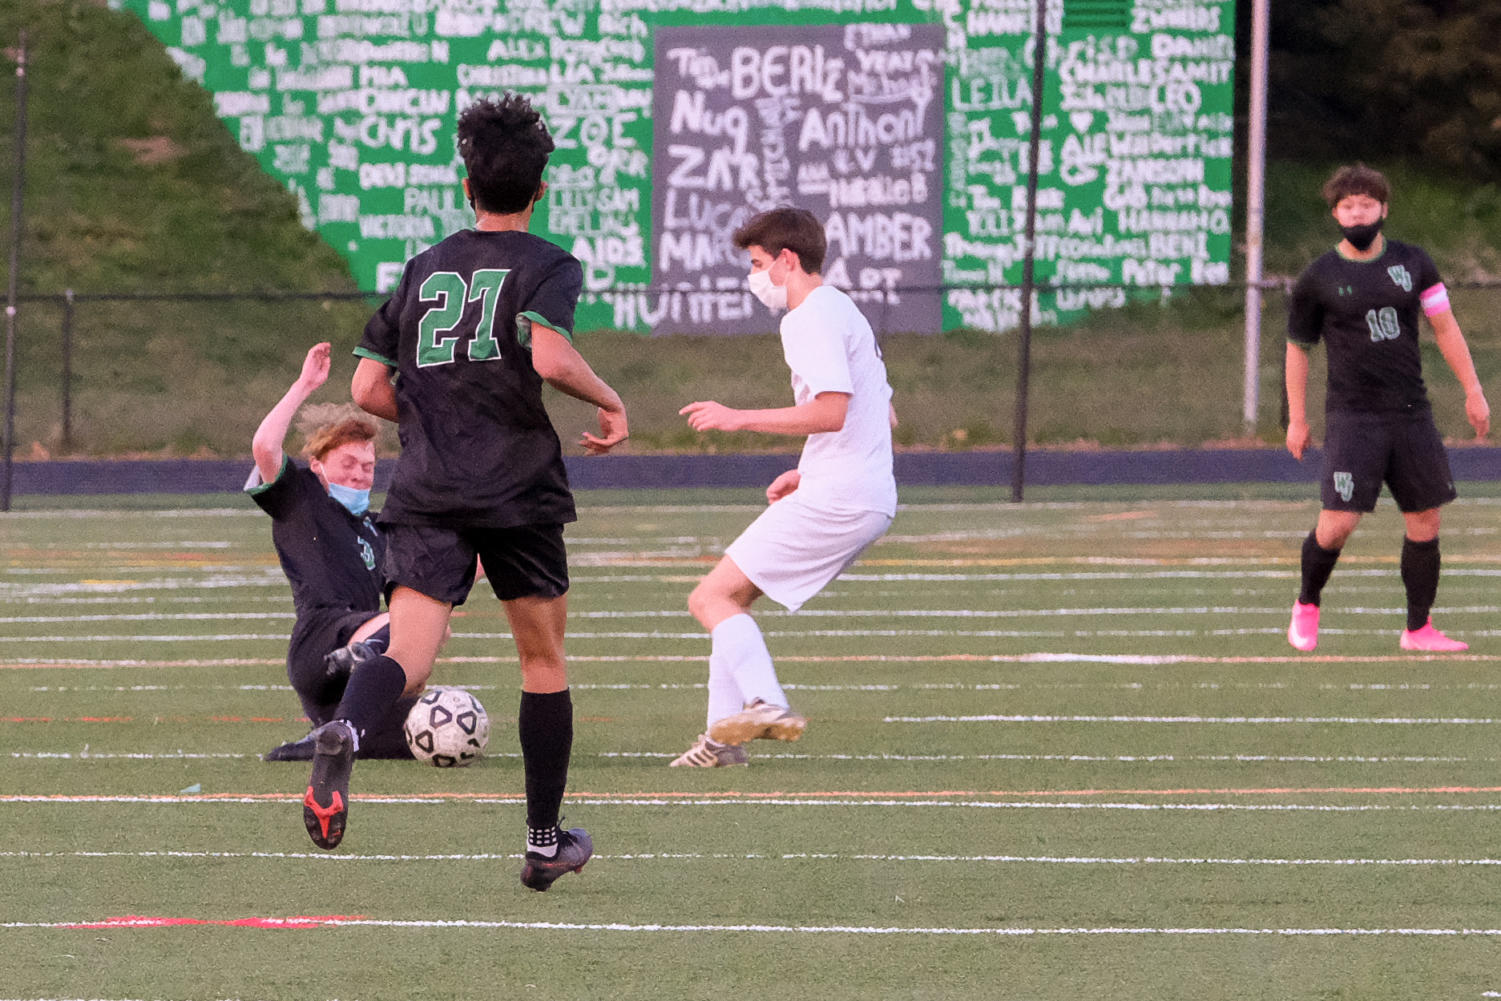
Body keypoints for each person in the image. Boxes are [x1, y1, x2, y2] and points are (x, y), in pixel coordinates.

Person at [300, 94, 628, 896]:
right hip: (517, 485)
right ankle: (545, 842)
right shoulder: (549, 263)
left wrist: (431, 411)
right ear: (540, 187)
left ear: (464, 181)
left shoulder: (422, 267)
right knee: (541, 659)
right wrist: (611, 401)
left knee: (407, 652)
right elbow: (549, 358)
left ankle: (342, 726)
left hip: (429, 483)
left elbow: (367, 384)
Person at [670, 206, 897, 768]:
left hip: (843, 496)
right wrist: (808, 469)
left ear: (787, 260)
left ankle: (765, 703)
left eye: (757, 264)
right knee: (732, 597)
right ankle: (721, 744)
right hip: (856, 490)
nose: (754, 278)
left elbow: (832, 411)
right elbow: (881, 414)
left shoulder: (808, 317)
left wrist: (736, 417)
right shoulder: (842, 308)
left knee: (710, 598)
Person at [1285, 163, 1490, 653]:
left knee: (1425, 518)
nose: (1358, 214)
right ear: (1335, 213)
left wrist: (1474, 389)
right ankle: (1307, 601)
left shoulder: (1413, 262)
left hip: (1411, 411)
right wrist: (1296, 417)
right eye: (1348, 207)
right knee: (1338, 522)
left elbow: (1445, 327)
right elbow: (1298, 349)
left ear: (1384, 209)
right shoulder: (1318, 277)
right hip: (1354, 416)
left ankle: (1418, 629)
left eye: (1367, 205)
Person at [246, 342, 415, 762]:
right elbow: (265, 446)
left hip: (358, 657)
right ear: (319, 464)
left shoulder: (377, 529)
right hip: (318, 642)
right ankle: (355, 659)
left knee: (425, 722)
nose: (359, 474)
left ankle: (327, 732)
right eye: (348, 463)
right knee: (409, 624)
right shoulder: (300, 498)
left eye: (367, 466)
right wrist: (304, 385)